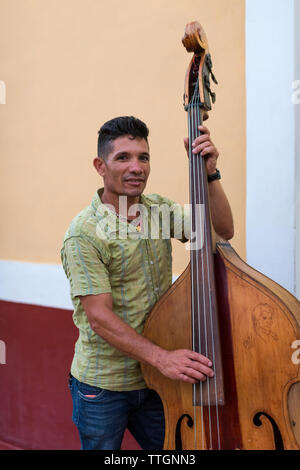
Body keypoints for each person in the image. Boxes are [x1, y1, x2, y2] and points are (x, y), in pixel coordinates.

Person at [61, 116, 234, 450]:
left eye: (143, 157)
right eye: (122, 158)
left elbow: (222, 231)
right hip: (104, 386)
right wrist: (163, 358)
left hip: (156, 383)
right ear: (100, 165)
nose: (136, 167)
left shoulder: (159, 211)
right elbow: (100, 318)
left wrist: (210, 173)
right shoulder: (84, 233)